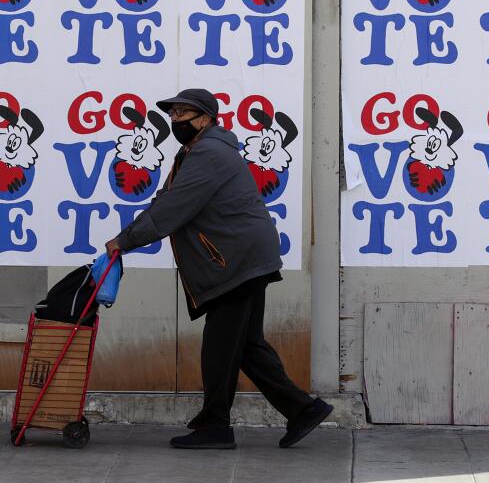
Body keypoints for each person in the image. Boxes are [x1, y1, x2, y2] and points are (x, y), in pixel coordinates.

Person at [105, 88, 332, 450]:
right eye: (173, 113)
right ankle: (302, 409)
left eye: (184, 113)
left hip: (236, 261)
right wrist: (131, 234)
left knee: (220, 347)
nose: (176, 119)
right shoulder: (194, 152)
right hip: (242, 258)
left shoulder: (208, 153)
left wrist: (125, 240)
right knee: (245, 345)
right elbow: (166, 199)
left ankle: (216, 427)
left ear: (206, 119)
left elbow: (174, 208)